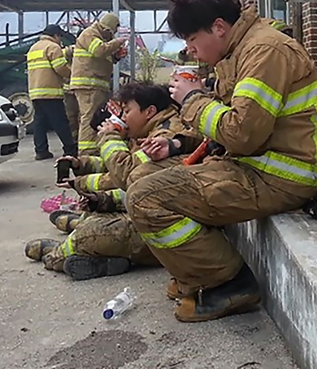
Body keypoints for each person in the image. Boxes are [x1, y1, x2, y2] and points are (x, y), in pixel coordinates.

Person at [126, 0, 317, 323]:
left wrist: (192, 99)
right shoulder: (240, 50)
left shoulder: (265, 51)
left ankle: (227, 283)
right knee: (144, 178)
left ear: (220, 27)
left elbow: (241, 133)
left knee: (144, 199)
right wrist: (177, 145)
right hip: (261, 166)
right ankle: (196, 271)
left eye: (193, 39)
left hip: (279, 176)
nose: (190, 49)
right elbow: (229, 121)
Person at [24, 83, 202, 281]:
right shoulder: (152, 129)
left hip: (170, 228)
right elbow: (126, 170)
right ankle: (104, 258)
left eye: (127, 111)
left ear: (150, 111)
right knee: (95, 214)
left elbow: (125, 174)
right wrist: (80, 165)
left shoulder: (164, 136)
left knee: (90, 233)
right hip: (156, 210)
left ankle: (56, 256)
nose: (123, 117)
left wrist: (110, 137)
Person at [69, 12, 126, 156]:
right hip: (88, 85)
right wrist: (116, 43)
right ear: (107, 28)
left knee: (92, 116)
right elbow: (99, 51)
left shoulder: (100, 37)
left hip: (96, 85)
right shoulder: (90, 34)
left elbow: (103, 58)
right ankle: (86, 152)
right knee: (88, 117)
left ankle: (92, 147)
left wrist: (116, 56)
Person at [27, 24, 77, 160]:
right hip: (50, 92)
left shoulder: (34, 48)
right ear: (55, 36)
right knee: (60, 121)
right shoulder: (53, 47)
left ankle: (41, 151)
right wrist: (73, 74)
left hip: (35, 92)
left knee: (40, 122)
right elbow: (60, 67)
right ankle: (70, 149)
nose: (60, 40)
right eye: (59, 37)